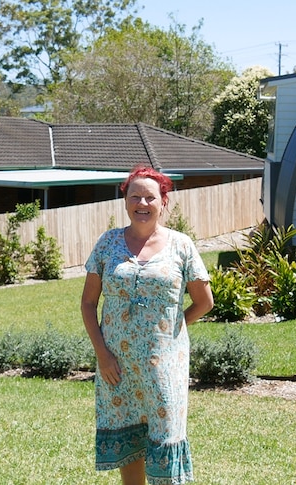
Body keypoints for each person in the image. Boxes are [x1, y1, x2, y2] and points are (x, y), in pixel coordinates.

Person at [81, 165, 213, 485]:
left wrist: (173, 327)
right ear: (125, 201)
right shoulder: (107, 243)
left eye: (150, 197)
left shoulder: (181, 245)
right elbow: (88, 303)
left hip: (165, 363)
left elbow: (204, 301)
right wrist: (103, 354)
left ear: (163, 202)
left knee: (165, 437)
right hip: (116, 365)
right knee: (130, 441)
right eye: (135, 196)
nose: (142, 203)